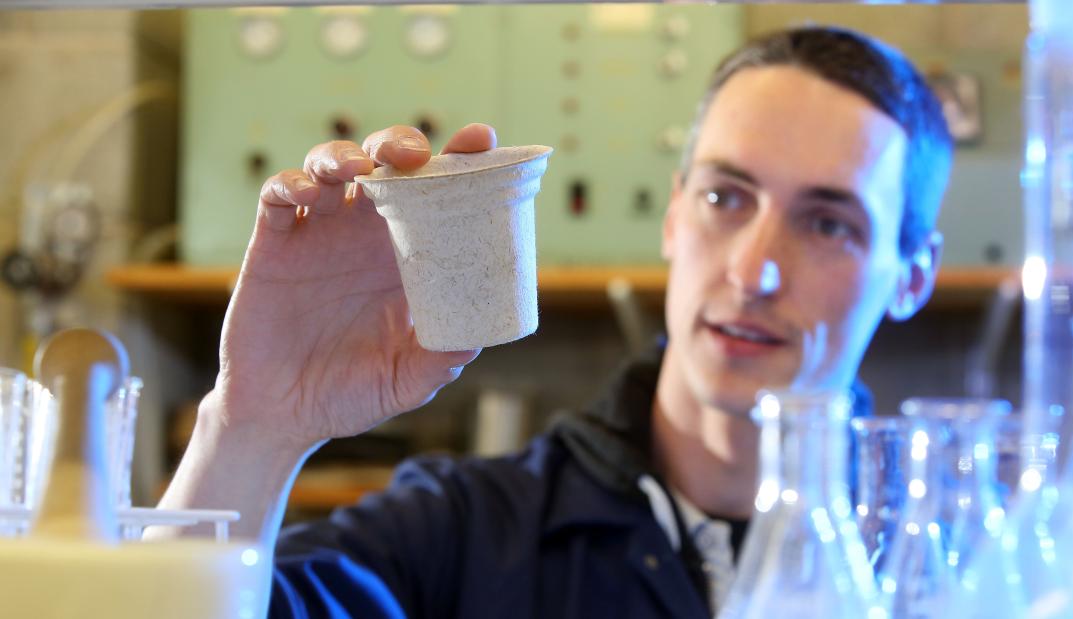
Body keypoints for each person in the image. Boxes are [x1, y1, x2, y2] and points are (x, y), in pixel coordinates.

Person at [153, 26, 952, 618]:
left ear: (912, 275)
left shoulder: (966, 562)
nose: (752, 270)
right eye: (724, 197)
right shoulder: (462, 535)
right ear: (673, 215)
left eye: (828, 224)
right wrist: (255, 423)